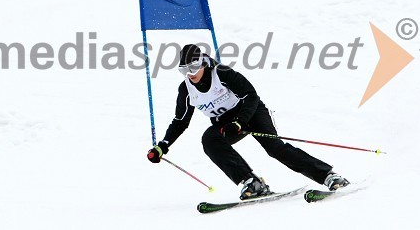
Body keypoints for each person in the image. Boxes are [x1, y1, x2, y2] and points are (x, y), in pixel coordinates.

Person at [147, 44, 349, 200]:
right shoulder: (186, 90)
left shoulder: (222, 73)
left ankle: (329, 176)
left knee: (275, 148)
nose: (190, 74)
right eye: (184, 70)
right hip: (226, 123)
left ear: (202, 63)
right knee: (209, 139)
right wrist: (163, 145)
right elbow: (180, 121)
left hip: (251, 113)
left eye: (193, 67)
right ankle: (251, 183)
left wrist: (241, 122)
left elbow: (251, 95)